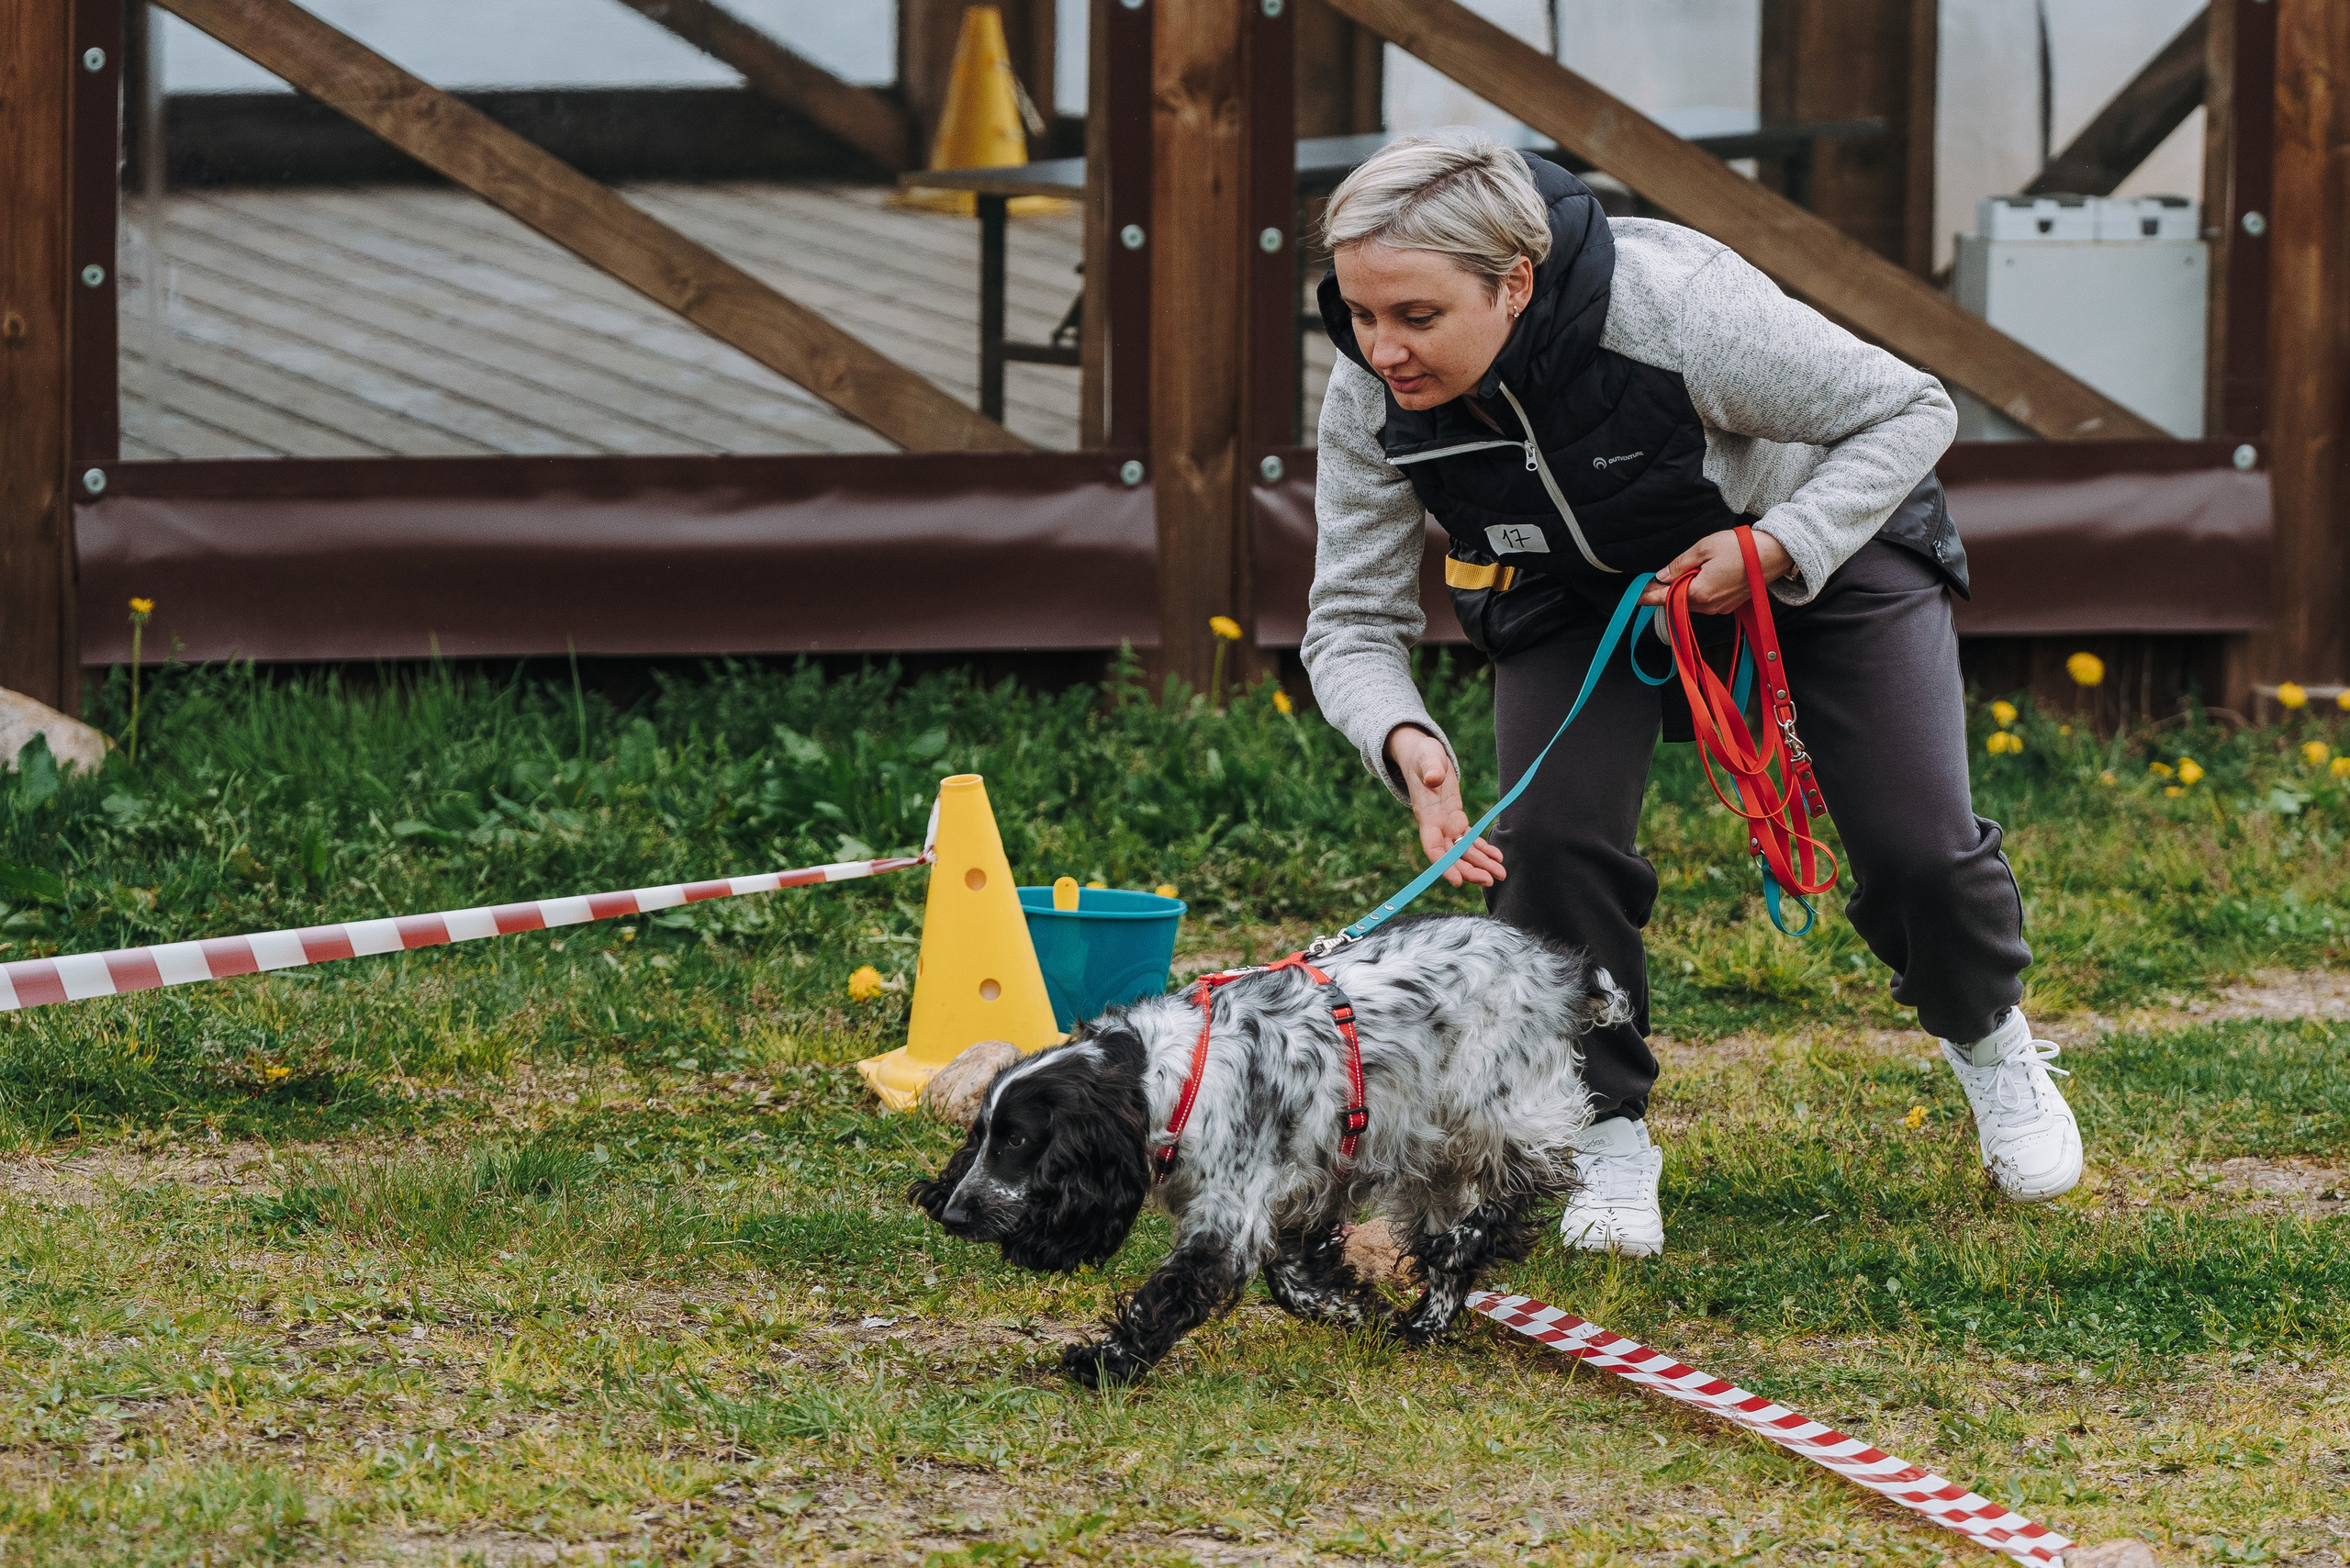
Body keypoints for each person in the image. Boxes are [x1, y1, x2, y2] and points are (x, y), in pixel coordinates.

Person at [1299, 133, 2080, 1258]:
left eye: (1416, 317)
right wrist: (1402, 732)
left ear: (1512, 283)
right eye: (1359, 313)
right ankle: (1601, 1128)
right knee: (1551, 845)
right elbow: (1351, 620)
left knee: (1918, 851)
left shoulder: (1676, 310)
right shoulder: (1371, 391)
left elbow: (1911, 410)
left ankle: (1985, 1033)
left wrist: (1776, 547)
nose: (1382, 350)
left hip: (1820, 546)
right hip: (1575, 596)